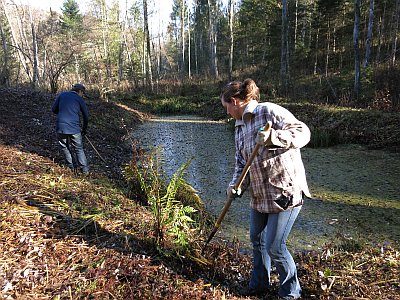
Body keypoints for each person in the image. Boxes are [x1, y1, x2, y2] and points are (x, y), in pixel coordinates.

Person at [220, 79, 311, 299]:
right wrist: (235, 185)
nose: (227, 113)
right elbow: (241, 164)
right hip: (260, 195)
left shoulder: (268, 111)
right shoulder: (239, 126)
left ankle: (291, 293)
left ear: (234, 101)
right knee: (257, 240)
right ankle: (259, 285)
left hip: (284, 192)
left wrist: (274, 137)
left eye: (226, 108)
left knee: (275, 247)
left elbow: (304, 132)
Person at [52, 83, 89, 174]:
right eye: (83, 93)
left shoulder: (62, 95)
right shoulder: (79, 99)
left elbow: (54, 110)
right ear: (79, 91)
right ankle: (85, 170)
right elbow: (86, 115)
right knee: (78, 149)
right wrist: (84, 129)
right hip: (74, 129)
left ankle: (71, 167)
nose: (83, 95)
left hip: (61, 127)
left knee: (65, 147)